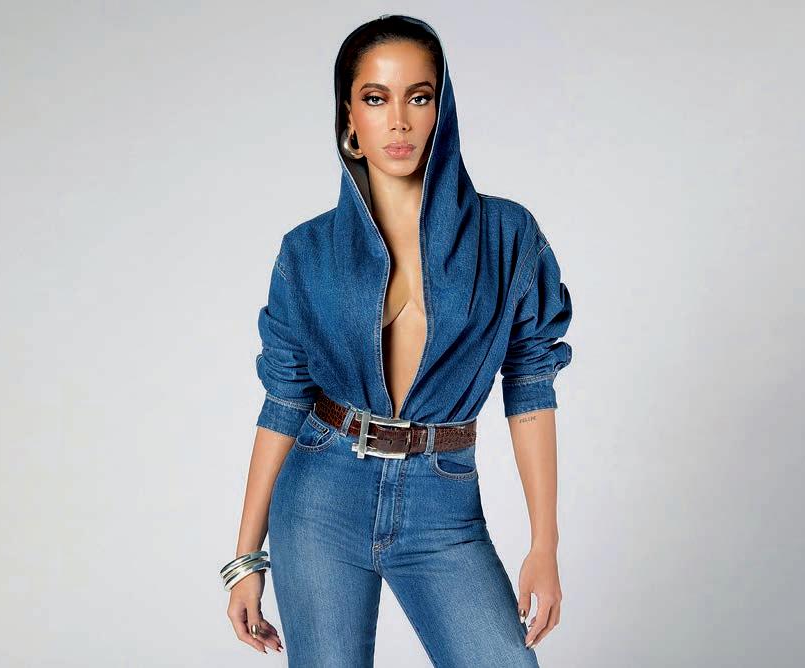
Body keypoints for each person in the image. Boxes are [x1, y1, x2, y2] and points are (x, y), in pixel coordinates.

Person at [223, 13, 573, 666]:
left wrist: (544, 545)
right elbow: (284, 399)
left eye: (419, 96)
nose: (400, 121)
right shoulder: (307, 251)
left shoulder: (507, 235)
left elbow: (530, 382)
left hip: (443, 503)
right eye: (376, 98)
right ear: (350, 118)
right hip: (320, 498)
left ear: (443, 110)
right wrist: (246, 559)